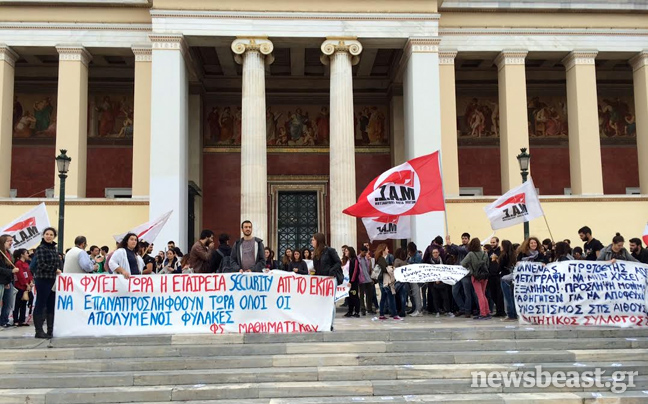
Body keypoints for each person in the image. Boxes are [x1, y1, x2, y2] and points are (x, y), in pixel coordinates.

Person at [32, 227, 62, 339]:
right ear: (43, 235)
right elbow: (41, 264)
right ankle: (39, 331)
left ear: (54, 236)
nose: (49, 236)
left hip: (53, 280)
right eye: (47, 234)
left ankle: (50, 330)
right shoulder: (41, 248)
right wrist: (55, 269)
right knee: (41, 303)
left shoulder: (54, 248)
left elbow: (57, 262)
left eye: (51, 234)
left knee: (51, 304)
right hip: (43, 279)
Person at [461, 238, 491, 320]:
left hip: (476, 276)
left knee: (479, 295)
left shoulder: (471, 254)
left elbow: (463, 263)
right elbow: (487, 264)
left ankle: (483, 313)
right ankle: (487, 312)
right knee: (483, 294)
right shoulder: (485, 253)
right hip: (485, 276)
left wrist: (470, 268)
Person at [374, 244, 401, 321]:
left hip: (383, 281)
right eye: (387, 249)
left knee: (383, 298)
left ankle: (382, 314)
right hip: (385, 281)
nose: (388, 250)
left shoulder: (380, 258)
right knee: (391, 297)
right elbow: (384, 269)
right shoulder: (381, 259)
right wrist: (391, 268)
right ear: (383, 250)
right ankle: (394, 314)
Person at [0, 235, 19, 327]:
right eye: (9, 241)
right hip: (2, 282)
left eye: (12, 240)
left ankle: (4, 320)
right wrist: (10, 271)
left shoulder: (9, 254)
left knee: (9, 303)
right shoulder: (1, 254)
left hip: (8, 281)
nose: (11, 242)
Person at [12, 248, 32, 327]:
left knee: (24, 303)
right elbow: (20, 275)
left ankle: (22, 320)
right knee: (17, 304)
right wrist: (26, 283)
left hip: (26, 286)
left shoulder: (26, 264)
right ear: (22, 255)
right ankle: (15, 320)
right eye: (26, 253)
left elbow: (29, 273)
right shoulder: (18, 263)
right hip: (19, 286)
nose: (28, 255)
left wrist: (30, 281)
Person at [498, 240, 518, 321]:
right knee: (512, 297)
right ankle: (514, 314)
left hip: (504, 277)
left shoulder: (503, 255)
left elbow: (500, 267)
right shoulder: (513, 255)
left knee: (507, 297)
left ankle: (510, 315)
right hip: (511, 277)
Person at [486, 237, 505, 317]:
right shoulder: (489, 252)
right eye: (491, 242)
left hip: (498, 275)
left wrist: (496, 258)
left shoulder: (500, 252)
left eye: (493, 242)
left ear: (497, 242)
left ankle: (501, 311)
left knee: (499, 294)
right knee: (493, 294)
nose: (492, 244)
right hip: (491, 275)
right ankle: (498, 310)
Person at [406, 242, 424, 317]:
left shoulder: (417, 256)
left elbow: (416, 266)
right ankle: (416, 308)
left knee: (417, 294)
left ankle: (419, 310)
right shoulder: (411, 256)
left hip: (416, 278)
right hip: (412, 278)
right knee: (413, 294)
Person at [357, 246, 376, 316]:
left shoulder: (366, 259)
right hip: (361, 279)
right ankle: (362, 309)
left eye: (366, 252)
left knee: (369, 295)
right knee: (361, 295)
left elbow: (368, 269)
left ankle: (369, 308)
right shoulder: (357, 259)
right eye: (364, 252)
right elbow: (360, 271)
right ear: (360, 251)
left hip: (368, 279)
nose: (365, 254)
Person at [344, 247, 360, 318]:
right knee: (349, 297)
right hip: (348, 282)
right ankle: (350, 311)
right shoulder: (349, 260)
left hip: (353, 282)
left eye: (347, 251)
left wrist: (351, 281)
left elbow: (355, 271)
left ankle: (356, 311)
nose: (345, 252)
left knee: (354, 296)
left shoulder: (355, 260)